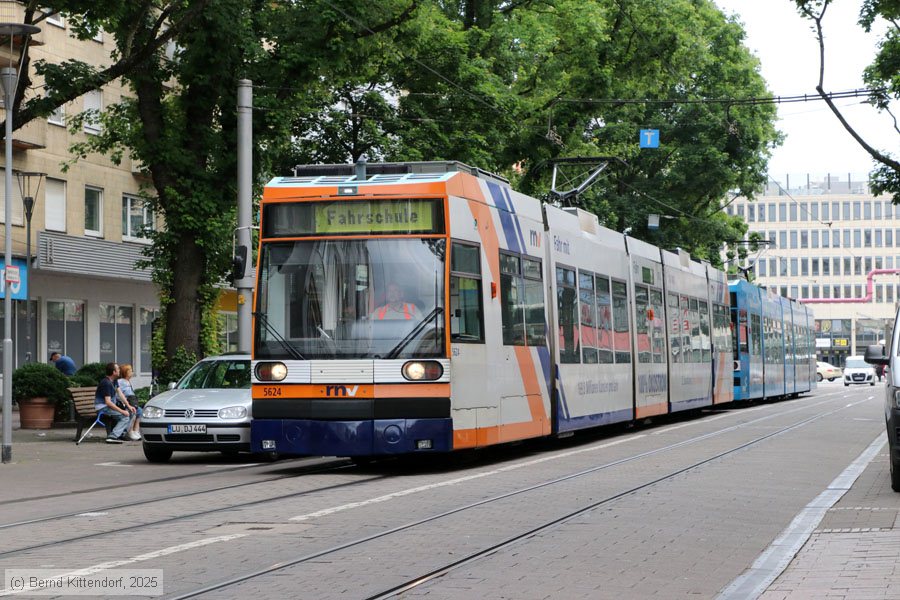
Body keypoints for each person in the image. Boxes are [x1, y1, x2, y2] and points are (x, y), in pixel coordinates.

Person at [95, 362, 135, 444]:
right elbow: (108, 402)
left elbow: (120, 394)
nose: (119, 371)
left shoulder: (114, 381)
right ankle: (112, 436)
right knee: (125, 416)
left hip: (109, 406)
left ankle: (121, 434)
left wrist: (128, 406)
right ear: (114, 372)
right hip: (103, 408)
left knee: (131, 412)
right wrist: (122, 411)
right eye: (118, 369)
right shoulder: (106, 383)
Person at [117, 364, 142, 441]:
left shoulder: (127, 381)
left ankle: (136, 431)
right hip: (122, 404)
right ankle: (129, 431)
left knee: (140, 411)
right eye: (130, 371)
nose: (132, 372)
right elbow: (127, 395)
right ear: (125, 372)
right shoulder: (122, 382)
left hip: (128, 403)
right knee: (134, 411)